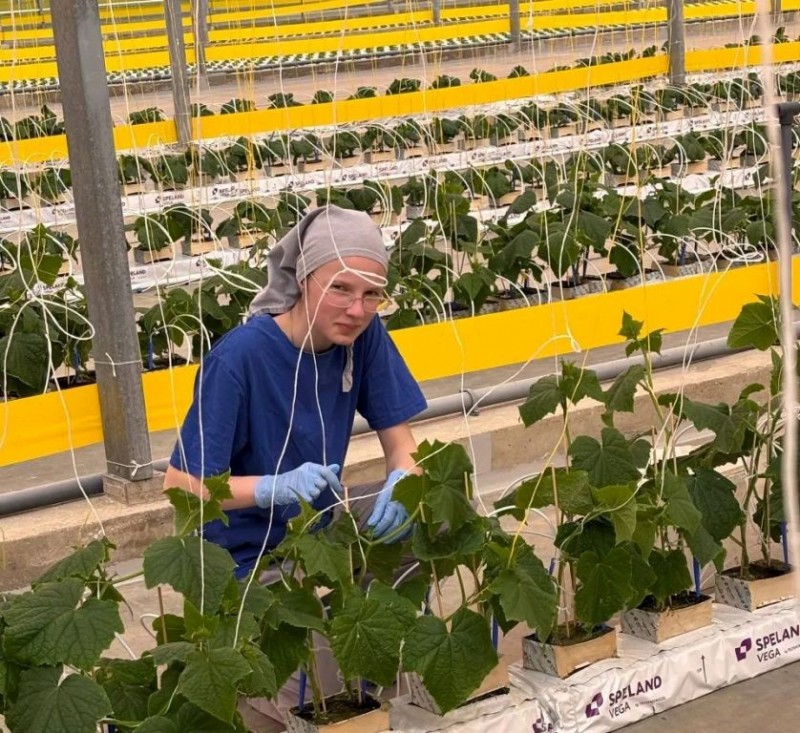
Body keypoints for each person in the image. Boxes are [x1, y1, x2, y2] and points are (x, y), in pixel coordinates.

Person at [164, 205, 427, 581]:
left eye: (372, 294)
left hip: (319, 528)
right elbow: (182, 487)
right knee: (289, 615)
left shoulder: (363, 336)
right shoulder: (239, 358)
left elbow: (403, 446)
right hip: (244, 554)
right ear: (303, 278)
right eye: (340, 289)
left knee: (432, 516)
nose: (357, 310)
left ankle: (365, 614)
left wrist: (405, 480)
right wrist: (271, 488)